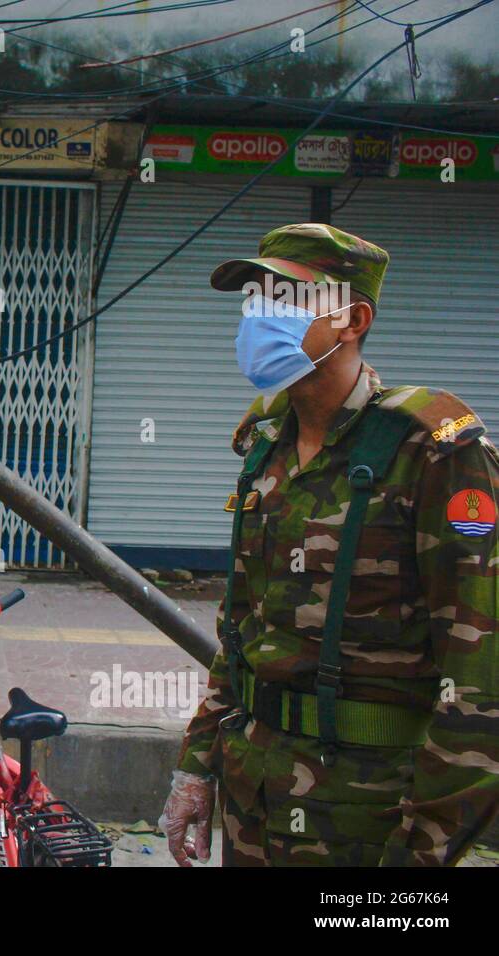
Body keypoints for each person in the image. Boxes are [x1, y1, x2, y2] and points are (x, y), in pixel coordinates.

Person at [160, 223, 499, 867]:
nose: (261, 316)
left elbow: (481, 676)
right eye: (254, 298)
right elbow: (240, 628)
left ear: (354, 318)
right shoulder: (266, 445)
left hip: (371, 816)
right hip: (254, 796)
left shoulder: (431, 452)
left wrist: (426, 855)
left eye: (286, 299)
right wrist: (197, 767)